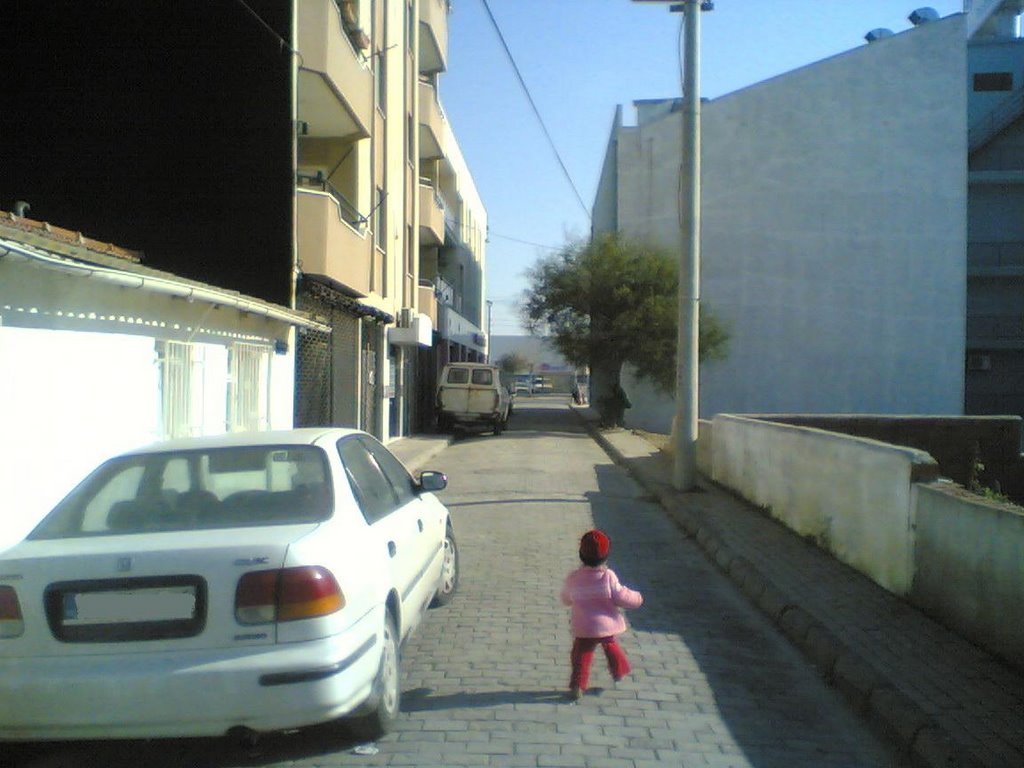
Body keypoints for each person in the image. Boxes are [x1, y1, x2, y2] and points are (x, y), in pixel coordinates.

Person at [560, 529, 643, 700]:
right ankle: (619, 670)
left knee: (581, 656)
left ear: (581, 555)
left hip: (584, 626)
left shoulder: (574, 578)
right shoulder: (608, 576)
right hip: (605, 626)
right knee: (611, 646)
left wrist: (571, 599)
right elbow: (621, 596)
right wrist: (637, 598)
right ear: (606, 556)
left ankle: (577, 685)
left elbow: (566, 598)